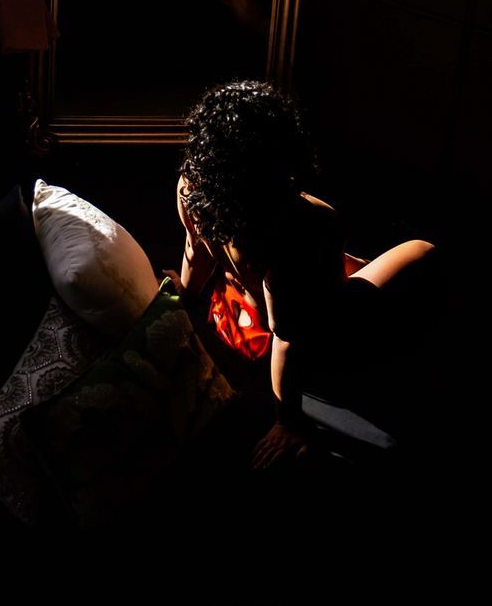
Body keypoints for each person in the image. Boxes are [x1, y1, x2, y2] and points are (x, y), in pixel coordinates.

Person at [171, 80, 435, 468]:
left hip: (264, 292)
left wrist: (188, 298)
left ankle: (347, 271)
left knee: (346, 263)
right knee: (423, 251)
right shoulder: (305, 223)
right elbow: (287, 338)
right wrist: (286, 421)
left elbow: (195, 253)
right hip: (323, 331)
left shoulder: (191, 191)